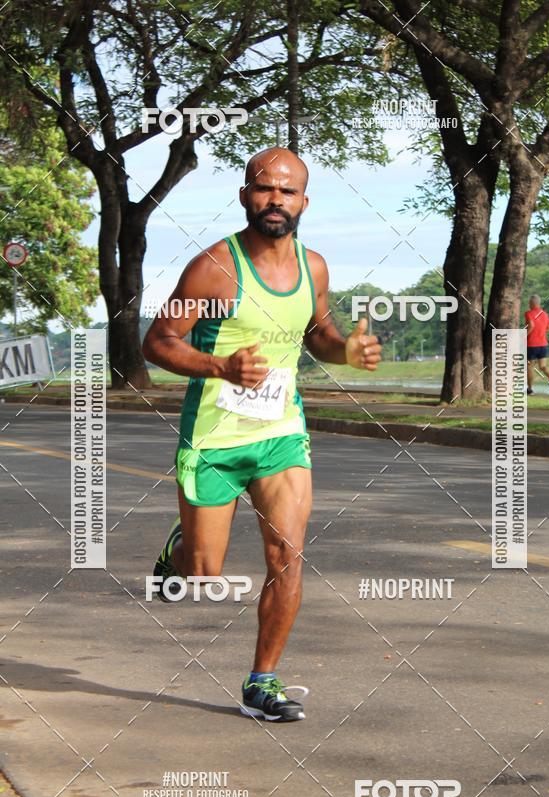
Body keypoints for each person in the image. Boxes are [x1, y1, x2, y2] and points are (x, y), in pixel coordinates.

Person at [142, 147, 381, 722]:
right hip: (215, 436)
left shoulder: (314, 266)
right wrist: (220, 367)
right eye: (264, 188)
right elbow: (157, 343)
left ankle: (263, 682)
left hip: (281, 433)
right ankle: (179, 551)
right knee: (203, 572)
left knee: (288, 558)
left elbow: (318, 334)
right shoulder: (214, 268)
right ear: (245, 195)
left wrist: (344, 351)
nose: (276, 200)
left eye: (288, 191)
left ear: (304, 200)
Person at [524, 294, 549, 395]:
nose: (529, 304)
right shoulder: (545, 314)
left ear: (532, 303)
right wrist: (541, 331)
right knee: (543, 366)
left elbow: (531, 325)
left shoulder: (528, 313)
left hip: (531, 344)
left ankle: (529, 389)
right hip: (543, 344)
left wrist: (523, 335)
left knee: (529, 366)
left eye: (529, 303)